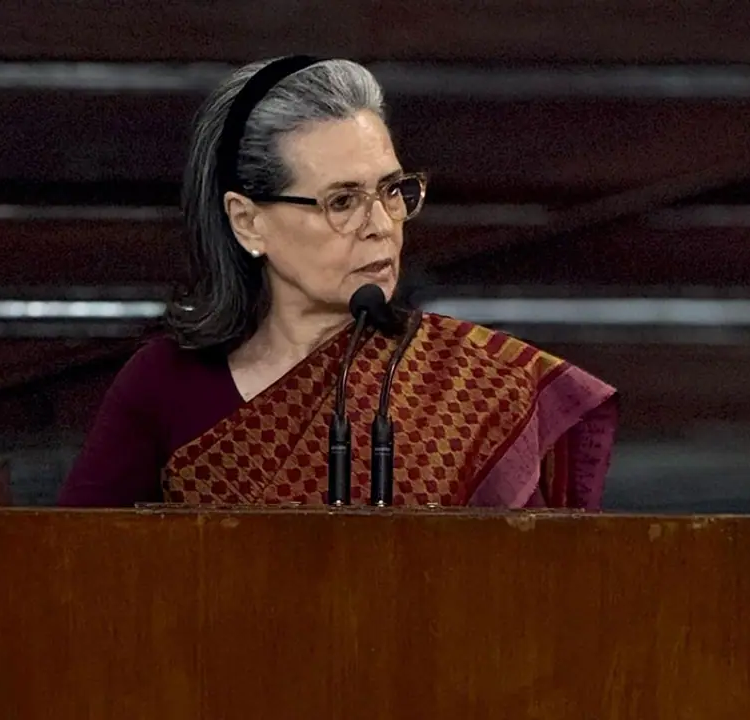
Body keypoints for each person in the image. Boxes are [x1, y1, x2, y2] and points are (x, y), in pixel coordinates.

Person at [57, 56, 618, 509]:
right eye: (343, 201)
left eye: (393, 191)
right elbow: (67, 572)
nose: (380, 226)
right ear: (248, 220)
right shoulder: (164, 386)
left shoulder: (483, 384)